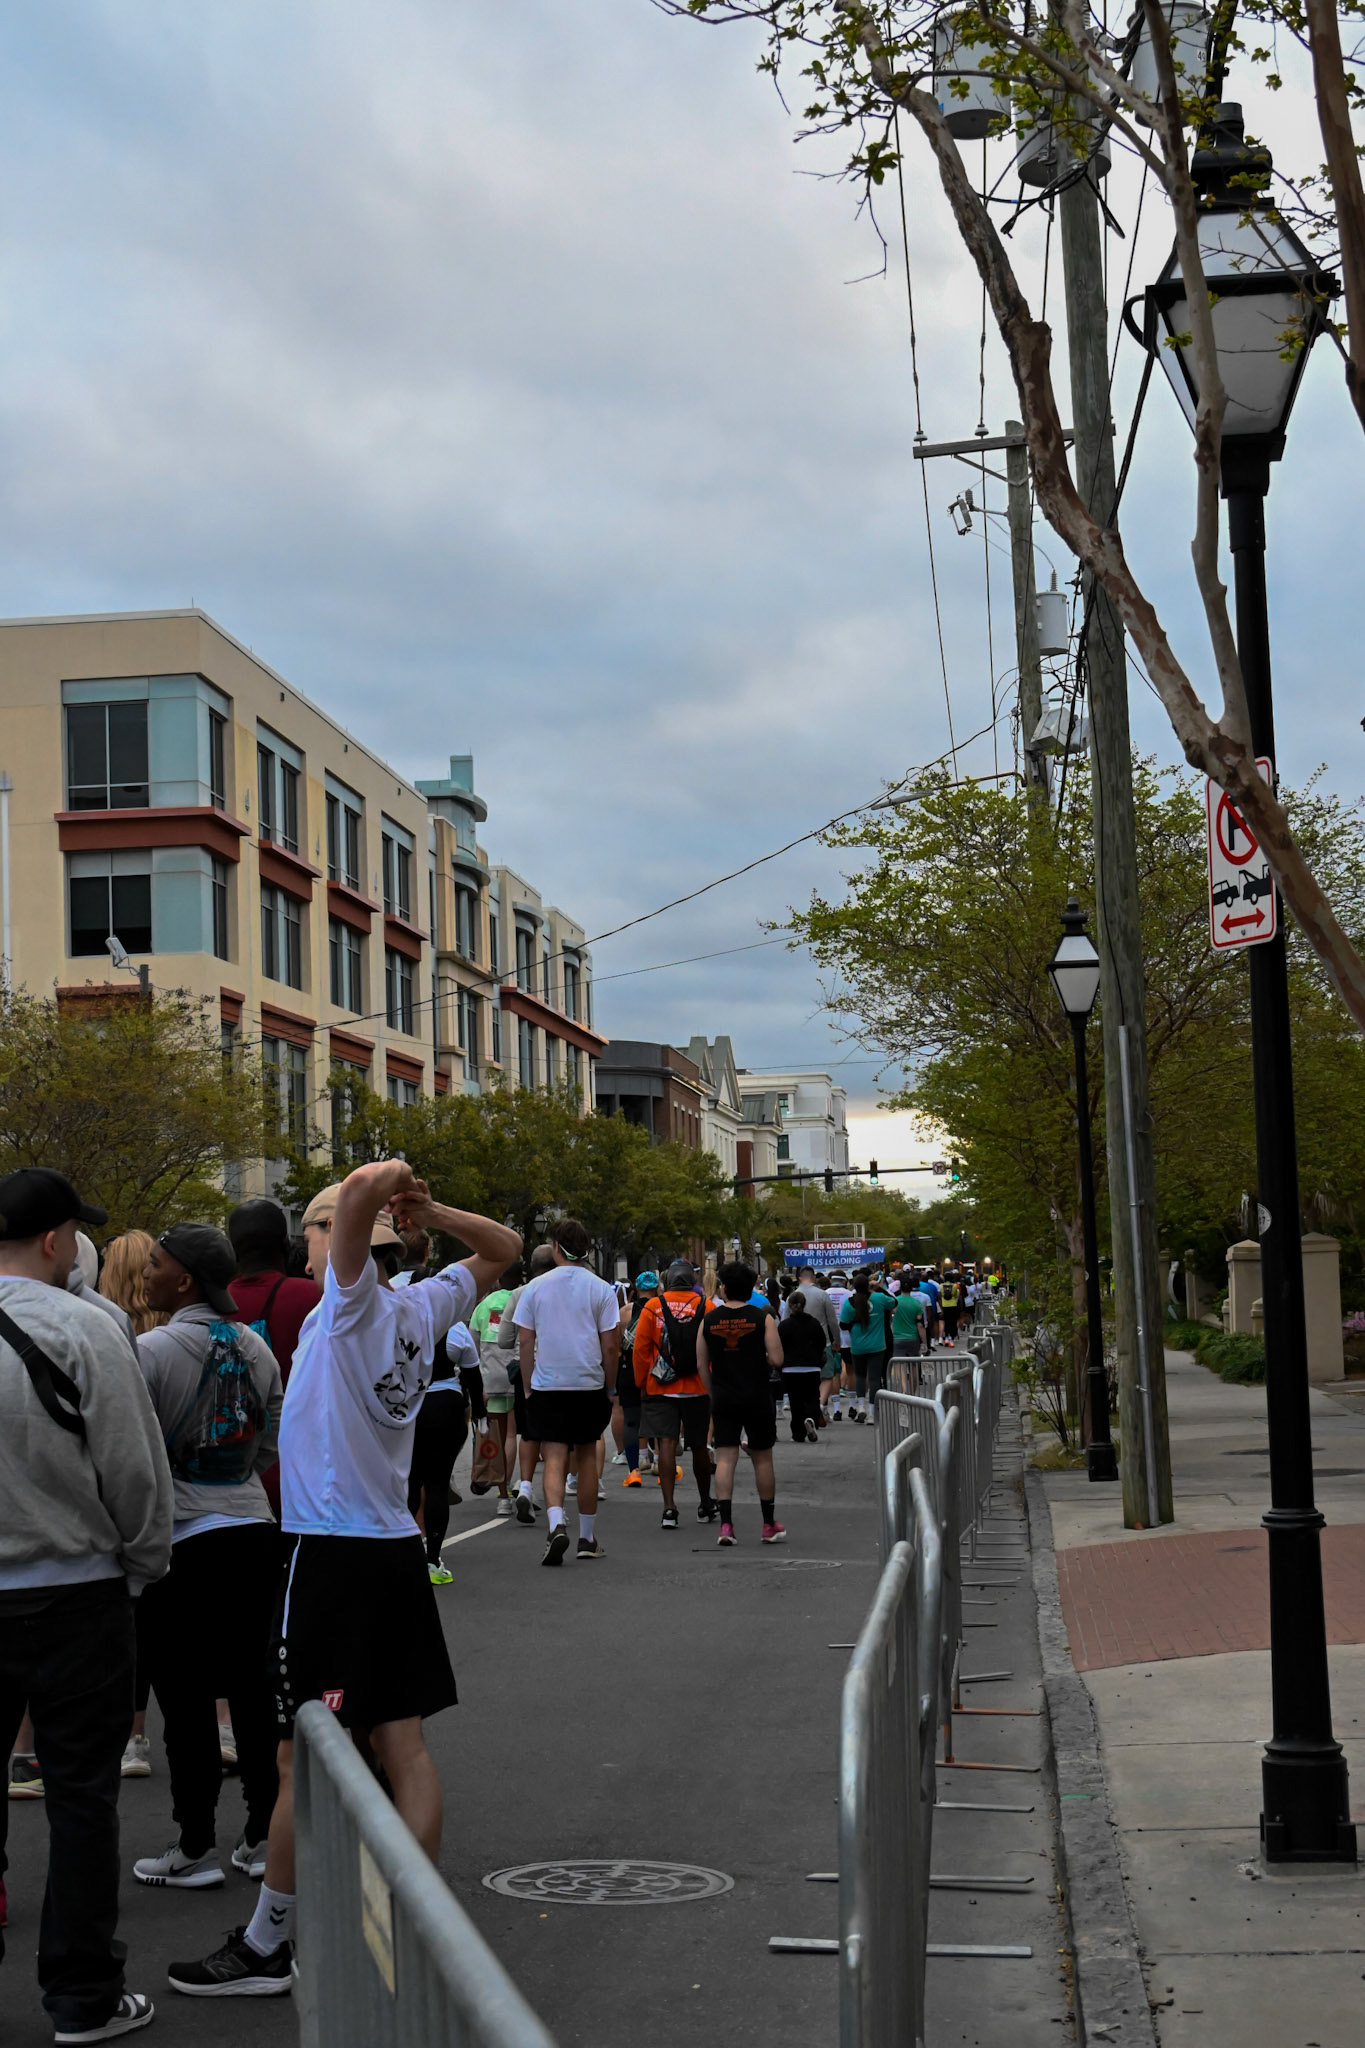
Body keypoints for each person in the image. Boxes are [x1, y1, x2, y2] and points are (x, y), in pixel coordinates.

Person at [166, 1161, 520, 1999]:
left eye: (316, 1230)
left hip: (332, 1551)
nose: (307, 1246)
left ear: (344, 1239)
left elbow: (364, 1190)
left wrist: (393, 1180)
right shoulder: (421, 1306)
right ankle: (416, 1928)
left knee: (299, 1758)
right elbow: (505, 1247)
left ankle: (266, 1944)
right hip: (391, 1546)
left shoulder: (354, 1301)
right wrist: (432, 1208)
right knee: (402, 1746)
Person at [0, 1168, 174, 2044]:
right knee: (80, 1800)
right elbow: (134, 1468)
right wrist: (142, 1563)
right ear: (55, 1238)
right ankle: (82, 1997)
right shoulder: (84, 1325)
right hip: (76, 1591)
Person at [130, 1226, 283, 1894]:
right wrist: (236, 1478)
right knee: (253, 1690)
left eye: (157, 1265)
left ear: (185, 1279)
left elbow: (132, 1447)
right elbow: (271, 1437)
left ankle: (195, 1845)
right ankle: (261, 1835)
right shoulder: (256, 1346)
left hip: (182, 1537)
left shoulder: (151, 1350)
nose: (148, 1274)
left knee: (185, 1698)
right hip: (251, 1528)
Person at [514, 1220, 619, 1565]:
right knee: (586, 1456)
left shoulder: (534, 1288)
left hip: (548, 1384)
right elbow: (611, 1346)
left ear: (556, 1248)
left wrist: (528, 1384)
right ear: (586, 1250)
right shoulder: (601, 1289)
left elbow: (525, 1342)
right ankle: (587, 1537)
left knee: (554, 1454)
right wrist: (610, 1385)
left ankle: (556, 1523)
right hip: (589, 1383)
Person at [699, 1263, 786, 1546]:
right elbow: (777, 1359)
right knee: (762, 1457)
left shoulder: (709, 1320)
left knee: (725, 1458)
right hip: (757, 1394)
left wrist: (712, 1391)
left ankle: (726, 1525)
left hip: (724, 1394)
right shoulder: (763, 1318)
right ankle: (768, 1523)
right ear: (750, 1289)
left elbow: (701, 1363)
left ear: (724, 1288)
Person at [632, 1260, 717, 1530]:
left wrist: (641, 1382)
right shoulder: (707, 1306)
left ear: (666, 1282)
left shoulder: (653, 1307)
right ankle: (705, 1503)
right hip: (697, 1387)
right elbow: (714, 1347)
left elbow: (640, 1350)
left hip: (660, 1387)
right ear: (692, 1281)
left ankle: (669, 1509)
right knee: (699, 1446)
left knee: (666, 1443)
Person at [408, 1317, 476, 1581]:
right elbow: (472, 1373)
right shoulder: (455, 1328)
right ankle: (433, 1561)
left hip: (408, 1405)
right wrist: (480, 1414)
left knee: (410, 1482)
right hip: (446, 1404)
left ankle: (406, 1555)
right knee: (437, 1483)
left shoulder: (399, 1322)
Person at [495, 1245, 556, 1523]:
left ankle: (526, 1486)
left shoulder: (520, 1294)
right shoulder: (565, 1291)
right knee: (557, 1438)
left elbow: (504, 1340)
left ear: (531, 1267)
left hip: (526, 1371)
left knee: (529, 1432)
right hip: (559, 1369)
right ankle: (556, 1505)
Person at [611, 1274, 655, 1487]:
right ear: (656, 1289)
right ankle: (661, 1465)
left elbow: (616, 1343)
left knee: (631, 1419)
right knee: (658, 1418)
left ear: (636, 1289)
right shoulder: (661, 1309)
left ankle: (633, 1471)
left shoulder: (624, 1312)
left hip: (629, 1369)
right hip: (655, 1370)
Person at [839, 1272, 893, 1421]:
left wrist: (854, 1324)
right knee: (875, 1378)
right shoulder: (879, 1298)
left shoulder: (850, 1302)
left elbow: (843, 1324)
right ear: (869, 1285)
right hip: (877, 1345)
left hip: (858, 1345)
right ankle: (872, 1413)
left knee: (860, 1376)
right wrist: (879, 1288)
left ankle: (861, 1406)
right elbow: (894, 1302)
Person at [778, 1290, 826, 1442]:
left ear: (790, 1305)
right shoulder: (814, 1323)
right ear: (804, 1305)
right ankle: (811, 1418)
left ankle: (798, 1433)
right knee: (812, 1396)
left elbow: (779, 1346)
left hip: (790, 1368)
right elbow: (822, 1343)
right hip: (812, 1366)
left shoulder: (784, 1326)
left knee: (795, 1400)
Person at [825, 1270, 852, 1418]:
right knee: (850, 1370)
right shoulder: (849, 1295)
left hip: (829, 1338)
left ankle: (836, 1409)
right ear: (844, 1281)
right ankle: (854, 1405)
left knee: (833, 1372)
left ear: (831, 1280)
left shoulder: (824, 1294)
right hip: (848, 1336)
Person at [940, 1269, 962, 1346]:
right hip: (953, 1305)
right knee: (953, 1322)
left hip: (944, 1305)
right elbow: (956, 1295)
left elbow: (940, 1295)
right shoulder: (954, 1286)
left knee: (946, 1322)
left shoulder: (941, 1286)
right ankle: (951, 1340)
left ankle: (946, 1337)